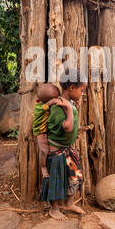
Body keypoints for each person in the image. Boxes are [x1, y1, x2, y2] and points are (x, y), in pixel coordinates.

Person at [40, 68, 87, 221]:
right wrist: (68, 108)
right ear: (72, 88)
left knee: (75, 176)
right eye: (82, 90)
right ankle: (54, 209)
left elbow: (70, 128)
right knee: (57, 180)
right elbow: (66, 127)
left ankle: (68, 203)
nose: (82, 94)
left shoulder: (69, 103)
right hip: (56, 153)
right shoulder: (60, 106)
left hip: (67, 150)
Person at [33, 83, 62, 179]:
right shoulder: (40, 107)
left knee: (49, 149)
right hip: (40, 133)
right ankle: (43, 167)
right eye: (55, 98)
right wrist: (54, 101)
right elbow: (47, 106)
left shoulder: (42, 104)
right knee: (44, 150)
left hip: (46, 131)